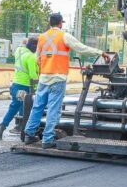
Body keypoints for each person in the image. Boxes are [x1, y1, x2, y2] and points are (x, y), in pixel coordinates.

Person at [23, 13, 111, 149]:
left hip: (44, 78)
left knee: (37, 106)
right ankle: (47, 139)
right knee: (53, 109)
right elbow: (81, 48)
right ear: (60, 24)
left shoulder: (41, 37)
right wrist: (100, 52)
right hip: (58, 78)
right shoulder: (64, 36)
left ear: (49, 22)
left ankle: (29, 134)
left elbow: (37, 59)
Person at [0, 36, 39, 139]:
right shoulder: (31, 57)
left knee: (15, 106)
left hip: (16, 85)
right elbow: (33, 75)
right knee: (30, 108)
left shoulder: (19, 51)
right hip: (26, 86)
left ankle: (2, 126)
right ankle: (26, 132)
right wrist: (37, 88)